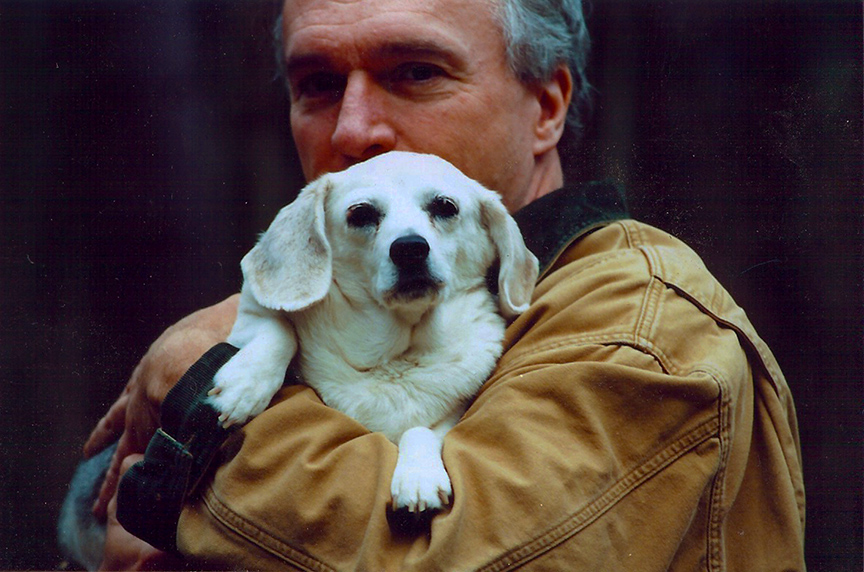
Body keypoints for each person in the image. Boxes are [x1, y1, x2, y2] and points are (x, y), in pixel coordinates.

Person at [81, 0, 807, 569]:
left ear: (547, 106)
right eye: (319, 85)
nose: (353, 131)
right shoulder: (303, 313)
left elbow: (459, 558)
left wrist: (195, 388)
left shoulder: (638, 315)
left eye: (415, 72)